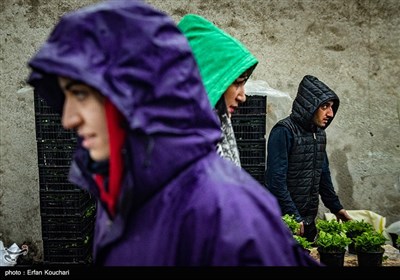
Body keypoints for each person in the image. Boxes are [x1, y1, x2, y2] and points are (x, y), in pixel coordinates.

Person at [27, 1, 319, 266]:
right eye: (66, 97)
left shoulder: (227, 206)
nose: (67, 119)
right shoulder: (118, 192)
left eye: (81, 95)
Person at [264, 75, 352, 243]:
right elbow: (275, 181)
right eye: (325, 106)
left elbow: (323, 175)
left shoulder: (319, 134)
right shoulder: (284, 131)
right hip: (285, 222)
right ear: (309, 106)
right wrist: (293, 216)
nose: (330, 113)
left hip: (307, 222)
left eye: (332, 107)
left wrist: (336, 208)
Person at [178, 14, 257, 167]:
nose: (242, 97)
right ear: (209, 79)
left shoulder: (218, 133)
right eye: (237, 83)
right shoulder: (182, 146)